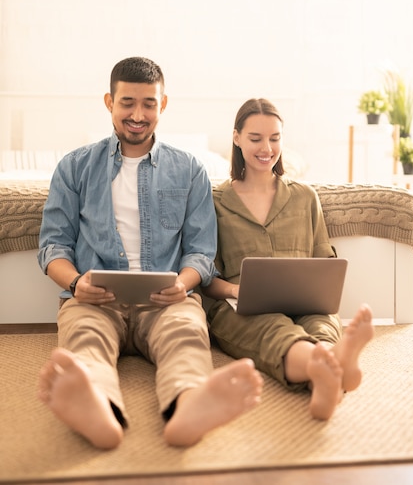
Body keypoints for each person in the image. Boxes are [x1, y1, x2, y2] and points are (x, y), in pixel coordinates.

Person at [37, 57, 263, 450]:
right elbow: (53, 246)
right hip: (95, 298)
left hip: (167, 298)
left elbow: (200, 252)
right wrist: (76, 283)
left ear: (163, 104)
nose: (137, 115)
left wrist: (183, 283)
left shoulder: (189, 169)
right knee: (84, 339)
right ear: (109, 102)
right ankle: (98, 409)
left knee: (186, 336)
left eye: (148, 104)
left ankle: (189, 405)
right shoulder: (74, 167)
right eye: (127, 103)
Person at [202, 98, 374, 421]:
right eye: (255, 139)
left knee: (323, 322)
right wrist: (237, 291)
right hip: (240, 308)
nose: (266, 148)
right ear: (236, 138)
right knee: (274, 331)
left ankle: (327, 374)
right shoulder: (215, 201)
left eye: (275, 138)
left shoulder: (305, 197)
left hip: (305, 302)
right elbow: (206, 278)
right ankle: (329, 367)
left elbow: (325, 261)